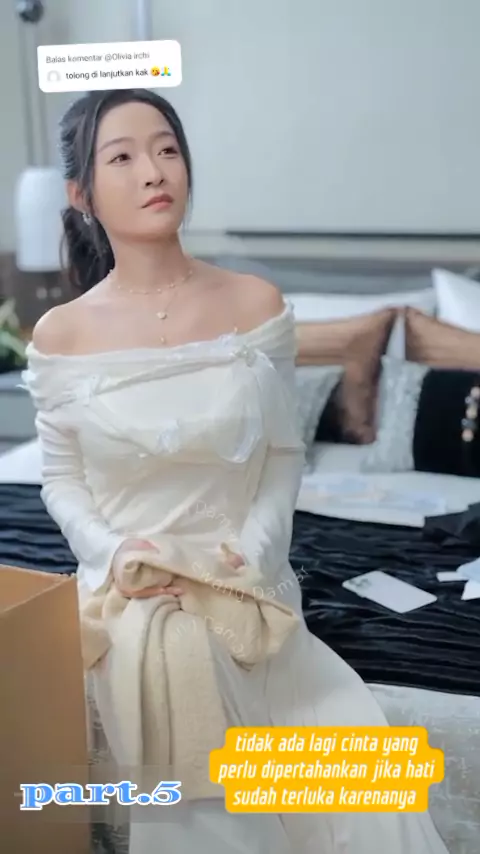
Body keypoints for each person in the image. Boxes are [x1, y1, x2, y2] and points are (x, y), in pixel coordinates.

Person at [23, 88, 450, 854]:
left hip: (247, 578)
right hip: (134, 589)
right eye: (123, 157)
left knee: (367, 791)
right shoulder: (62, 333)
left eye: (167, 148)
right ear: (81, 194)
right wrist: (114, 553)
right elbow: (61, 481)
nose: (154, 170)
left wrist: (255, 549)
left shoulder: (255, 303)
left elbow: (283, 452)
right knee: (180, 662)